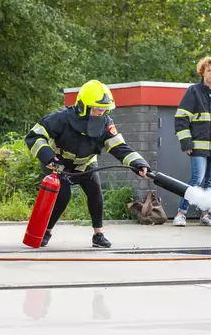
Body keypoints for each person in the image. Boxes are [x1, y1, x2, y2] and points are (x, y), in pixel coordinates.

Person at [24, 79, 150, 248]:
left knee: (96, 195)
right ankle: (46, 231)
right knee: (63, 197)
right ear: (84, 106)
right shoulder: (61, 118)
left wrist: (138, 163)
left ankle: (98, 235)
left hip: (86, 166)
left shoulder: (105, 123)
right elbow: (34, 136)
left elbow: (119, 146)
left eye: (105, 109)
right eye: (98, 108)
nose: (102, 112)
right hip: (57, 164)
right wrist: (48, 157)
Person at [173, 56, 211, 227]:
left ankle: (205, 215)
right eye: (208, 70)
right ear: (202, 72)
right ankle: (181, 213)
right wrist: (186, 143)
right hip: (198, 147)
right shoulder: (193, 91)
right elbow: (181, 118)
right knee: (196, 179)